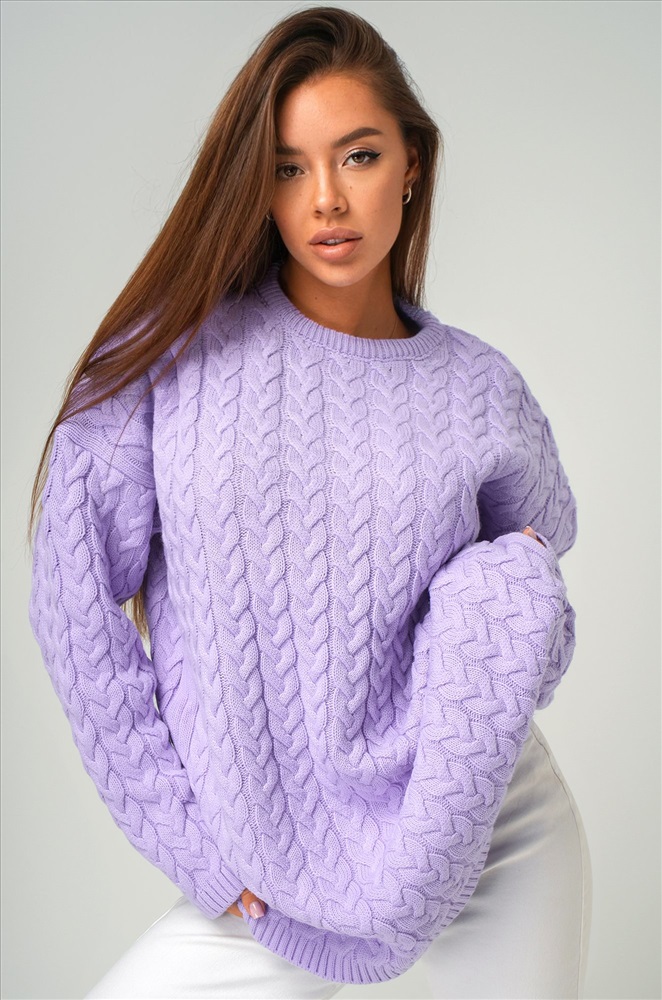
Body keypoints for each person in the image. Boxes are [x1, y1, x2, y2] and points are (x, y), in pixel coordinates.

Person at [27, 6, 591, 999]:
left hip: (492, 830)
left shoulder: (480, 391)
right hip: (266, 863)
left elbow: (537, 604)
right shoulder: (169, 361)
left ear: (410, 164)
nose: (325, 198)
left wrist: (514, 599)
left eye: (357, 156)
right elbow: (71, 609)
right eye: (288, 168)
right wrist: (193, 847)